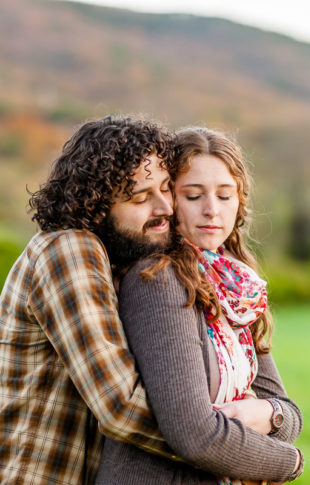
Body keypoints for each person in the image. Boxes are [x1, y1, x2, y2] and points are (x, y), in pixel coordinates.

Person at [95, 127, 304, 484]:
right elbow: (194, 435)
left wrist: (268, 414)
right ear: (169, 200)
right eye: (193, 196)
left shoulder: (235, 286)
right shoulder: (157, 279)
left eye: (225, 196)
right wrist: (291, 464)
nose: (211, 210)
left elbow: (288, 414)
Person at [0, 116, 179, 484]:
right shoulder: (68, 249)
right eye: (141, 196)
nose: (166, 207)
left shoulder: (124, 260)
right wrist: (235, 450)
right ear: (96, 204)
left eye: (167, 188)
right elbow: (120, 405)